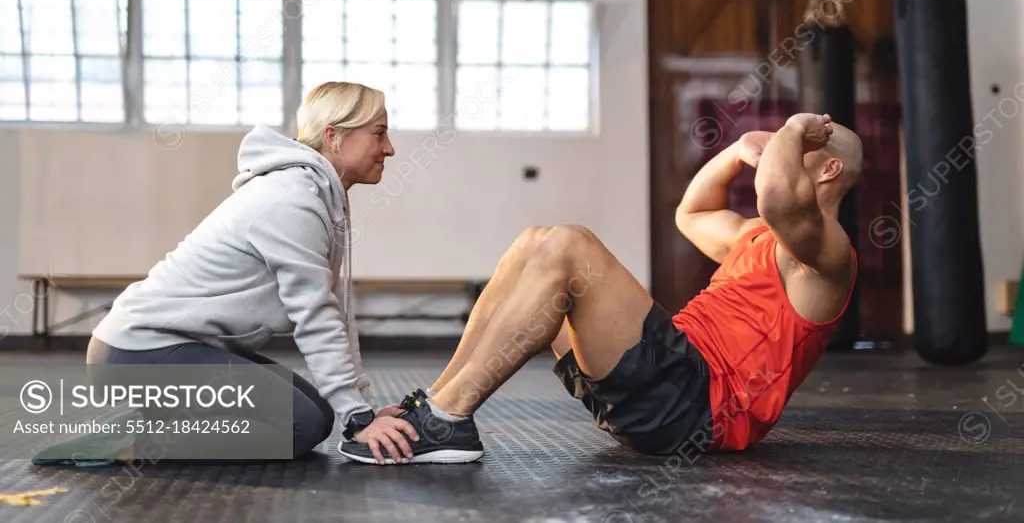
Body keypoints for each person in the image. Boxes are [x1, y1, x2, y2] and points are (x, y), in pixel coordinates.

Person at [339, 112, 861, 465]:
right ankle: (438, 403)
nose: (785, 149)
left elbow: (777, 196)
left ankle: (448, 420)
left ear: (828, 168)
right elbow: (693, 213)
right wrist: (737, 152)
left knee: (570, 244)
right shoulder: (756, 238)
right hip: (660, 382)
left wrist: (794, 128)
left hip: (696, 406)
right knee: (534, 243)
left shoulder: (826, 255)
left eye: (806, 150)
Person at [56, 81, 422, 465]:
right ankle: (130, 441)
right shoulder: (292, 199)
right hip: (136, 353)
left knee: (318, 415)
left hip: (172, 348)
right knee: (301, 426)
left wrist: (361, 408)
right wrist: (358, 418)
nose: (389, 148)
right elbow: (314, 318)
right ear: (334, 136)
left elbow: (335, 314)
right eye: (379, 134)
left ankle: (150, 423)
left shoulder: (316, 195)